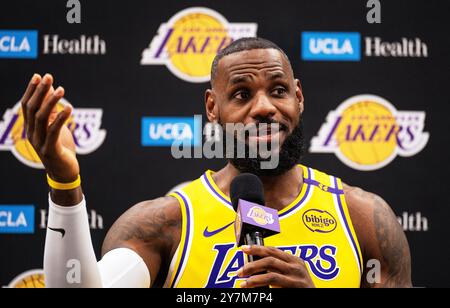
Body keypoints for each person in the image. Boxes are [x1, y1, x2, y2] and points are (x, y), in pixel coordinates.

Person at [21, 38, 412, 288]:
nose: (263, 108)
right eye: (241, 95)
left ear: (299, 98)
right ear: (213, 108)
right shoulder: (164, 224)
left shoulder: (362, 216)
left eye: (278, 91)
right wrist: (64, 184)